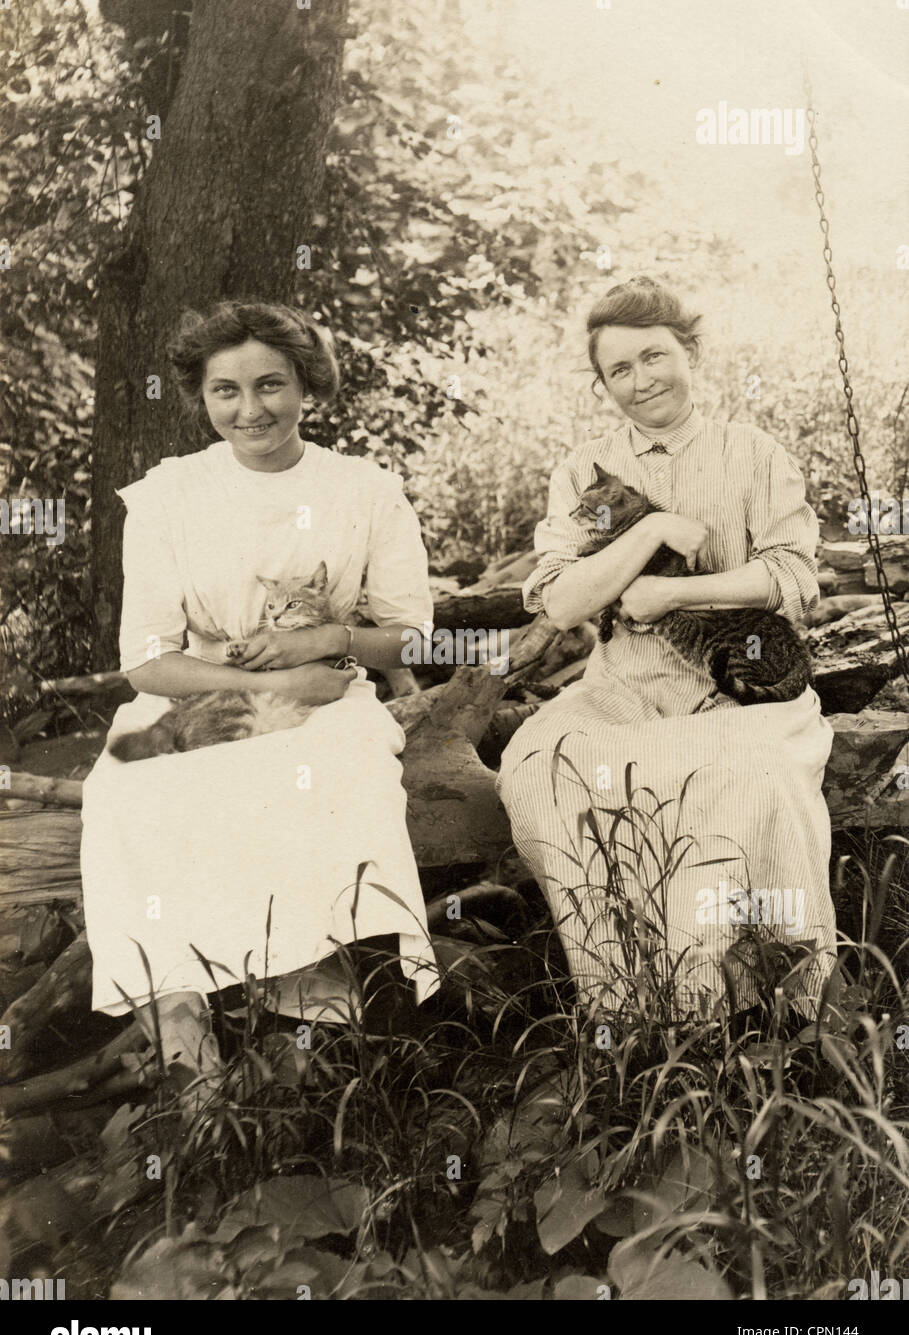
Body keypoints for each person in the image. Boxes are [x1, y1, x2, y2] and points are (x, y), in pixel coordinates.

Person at [80, 301, 439, 1103]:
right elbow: (145, 660)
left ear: (307, 383)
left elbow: (411, 637)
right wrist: (264, 683)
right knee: (128, 792)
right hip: (202, 695)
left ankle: (327, 1032)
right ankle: (188, 1050)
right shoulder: (170, 495)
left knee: (334, 777)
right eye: (226, 392)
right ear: (200, 400)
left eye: (271, 384)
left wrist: (321, 644)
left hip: (326, 695)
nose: (252, 410)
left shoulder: (362, 488)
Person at [496, 276, 838, 1022]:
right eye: (618, 370)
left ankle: (769, 1003)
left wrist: (673, 594)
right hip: (621, 688)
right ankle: (636, 1007)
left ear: (689, 351)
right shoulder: (583, 471)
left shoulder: (750, 452)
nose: (640, 380)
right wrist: (649, 534)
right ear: (602, 384)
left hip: (738, 691)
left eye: (654, 356)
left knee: (744, 776)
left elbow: (793, 576)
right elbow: (559, 599)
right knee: (540, 769)